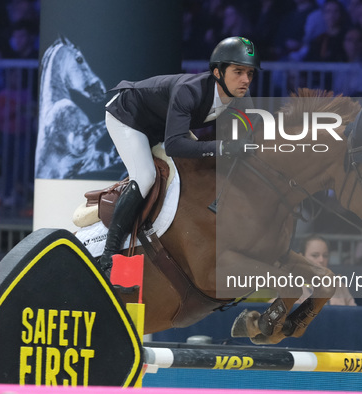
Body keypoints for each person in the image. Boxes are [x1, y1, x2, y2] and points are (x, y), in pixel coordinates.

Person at [100, 36, 260, 277]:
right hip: (128, 116)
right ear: (217, 72)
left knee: (202, 164)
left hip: (163, 123)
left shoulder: (240, 99)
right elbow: (175, 145)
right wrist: (226, 147)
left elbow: (245, 138)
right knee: (145, 176)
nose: (246, 80)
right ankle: (109, 254)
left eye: (250, 73)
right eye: (238, 72)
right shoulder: (190, 91)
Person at [301, 234, 356, 306]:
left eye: (325, 255)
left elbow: (355, 314)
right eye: (315, 255)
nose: (321, 260)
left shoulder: (339, 286)